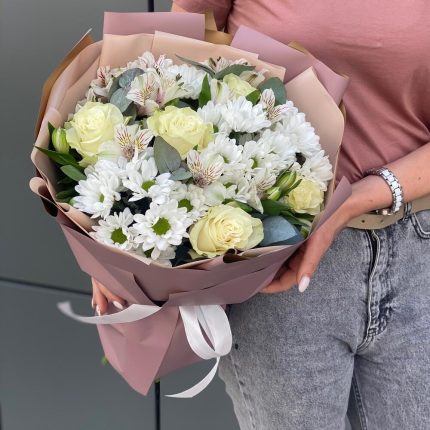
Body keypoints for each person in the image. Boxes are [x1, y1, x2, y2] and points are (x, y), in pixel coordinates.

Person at [92, 1, 430, 428]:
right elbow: (168, 59)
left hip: (419, 257)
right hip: (278, 262)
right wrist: (118, 227)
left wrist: (357, 197)